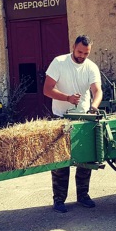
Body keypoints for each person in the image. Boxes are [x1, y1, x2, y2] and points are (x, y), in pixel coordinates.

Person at [42, 35, 103, 213]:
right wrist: (67, 98)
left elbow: (97, 91)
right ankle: (59, 199)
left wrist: (94, 106)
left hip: (83, 117)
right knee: (61, 161)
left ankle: (83, 195)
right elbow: (47, 89)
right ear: (73, 47)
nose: (82, 56)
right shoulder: (59, 62)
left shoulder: (91, 67)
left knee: (85, 159)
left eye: (86, 53)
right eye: (79, 52)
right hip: (61, 117)